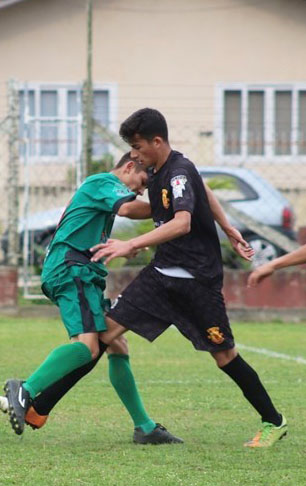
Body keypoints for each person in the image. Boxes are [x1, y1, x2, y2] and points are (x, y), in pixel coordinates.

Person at [84, 108, 286, 448]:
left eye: (137, 146)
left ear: (157, 141)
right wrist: (228, 225)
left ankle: (274, 421)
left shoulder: (178, 171)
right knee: (104, 334)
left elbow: (184, 221)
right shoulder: (156, 168)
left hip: (197, 281)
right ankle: (35, 402)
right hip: (161, 276)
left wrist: (130, 243)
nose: (132, 154)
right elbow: (203, 190)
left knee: (225, 356)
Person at [1, 152, 184, 444]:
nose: (140, 190)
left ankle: (145, 427)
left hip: (81, 272)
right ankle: (25, 389)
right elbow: (127, 210)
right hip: (71, 270)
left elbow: (89, 228)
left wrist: (124, 246)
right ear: (128, 167)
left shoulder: (102, 199)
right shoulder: (102, 182)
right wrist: (168, 207)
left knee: (116, 343)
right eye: (141, 181)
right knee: (87, 347)